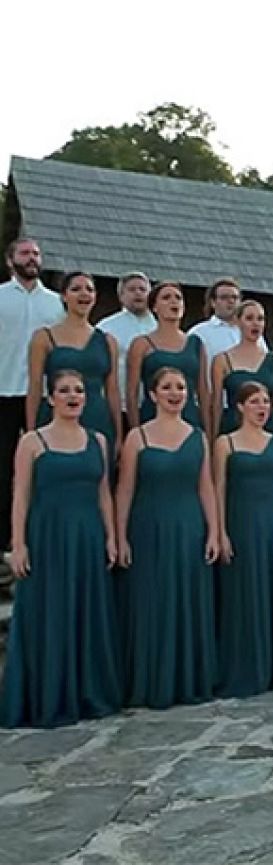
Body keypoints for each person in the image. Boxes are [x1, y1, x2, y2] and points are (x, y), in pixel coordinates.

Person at [2, 370, 120, 728]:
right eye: (64, 391)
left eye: (79, 390)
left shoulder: (97, 440)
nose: (73, 396)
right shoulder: (33, 442)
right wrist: (18, 544)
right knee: (49, 610)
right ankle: (49, 694)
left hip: (87, 536)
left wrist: (112, 536)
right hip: (48, 536)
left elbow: (103, 493)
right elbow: (20, 496)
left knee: (86, 609)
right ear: (50, 398)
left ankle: (87, 691)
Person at [115, 367, 219, 709]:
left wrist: (214, 532)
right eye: (167, 387)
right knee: (154, 602)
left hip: (189, 527)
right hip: (149, 529)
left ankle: (188, 678)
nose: (175, 393)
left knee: (188, 600)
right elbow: (125, 489)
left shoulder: (198, 436)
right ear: (153, 394)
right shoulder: (137, 438)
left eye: (181, 387)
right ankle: (153, 680)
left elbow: (206, 487)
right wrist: (120, 536)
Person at [212, 381, 273, 698]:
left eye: (265, 402)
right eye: (254, 402)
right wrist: (219, 530)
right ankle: (248, 665)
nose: (262, 408)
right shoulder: (226, 444)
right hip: (242, 523)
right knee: (245, 591)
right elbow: (218, 488)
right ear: (239, 407)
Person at [0, 238, 64, 559]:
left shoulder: (55, 304)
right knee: (3, 470)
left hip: (46, 398)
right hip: (4, 393)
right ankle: (4, 545)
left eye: (37, 253)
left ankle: (38, 536)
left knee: (44, 467)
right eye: (25, 253)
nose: (32, 258)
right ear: (11, 261)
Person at [26, 272, 122, 466]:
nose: (83, 294)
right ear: (64, 296)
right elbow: (35, 387)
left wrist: (119, 433)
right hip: (56, 417)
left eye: (89, 289)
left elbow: (112, 390)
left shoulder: (108, 341)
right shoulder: (43, 337)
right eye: (76, 289)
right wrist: (31, 431)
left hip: (97, 418)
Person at [127, 282, 207, 431]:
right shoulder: (141, 344)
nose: (173, 301)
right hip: (153, 418)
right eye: (166, 297)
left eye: (178, 298)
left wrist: (208, 432)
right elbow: (132, 393)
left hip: (189, 419)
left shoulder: (195, 343)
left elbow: (203, 393)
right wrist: (136, 430)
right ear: (154, 307)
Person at [209, 300, 273, 435]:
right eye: (249, 318)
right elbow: (217, 404)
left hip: (269, 430)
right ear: (238, 322)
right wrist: (214, 438)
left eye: (260, 319)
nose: (255, 323)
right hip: (235, 428)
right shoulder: (222, 360)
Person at [95, 271, 156, 428]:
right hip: (119, 406)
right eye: (132, 289)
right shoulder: (106, 328)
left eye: (142, 289)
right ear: (121, 296)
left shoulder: (160, 326)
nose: (138, 293)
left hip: (156, 405)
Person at [188, 278, 267, 382]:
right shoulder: (199, 333)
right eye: (224, 297)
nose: (231, 301)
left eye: (235, 297)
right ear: (213, 302)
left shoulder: (253, 334)